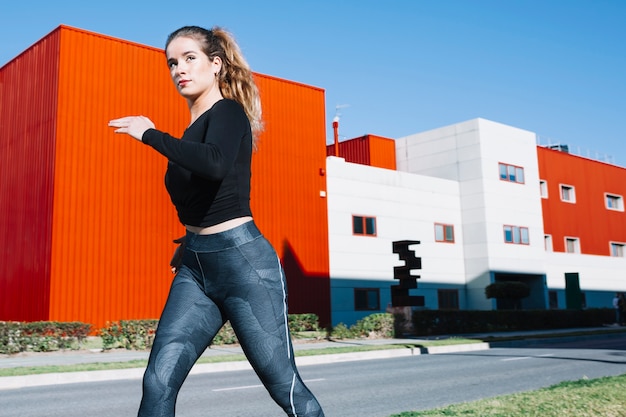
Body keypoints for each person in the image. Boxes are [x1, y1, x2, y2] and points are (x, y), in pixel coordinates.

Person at [108, 25, 325, 417]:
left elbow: (215, 164)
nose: (179, 69)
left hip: (245, 267)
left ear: (216, 64)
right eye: (172, 62)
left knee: (284, 386)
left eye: (189, 58)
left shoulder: (228, 112)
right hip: (197, 268)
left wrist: (150, 134)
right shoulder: (192, 132)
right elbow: (198, 195)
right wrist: (191, 242)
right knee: (158, 380)